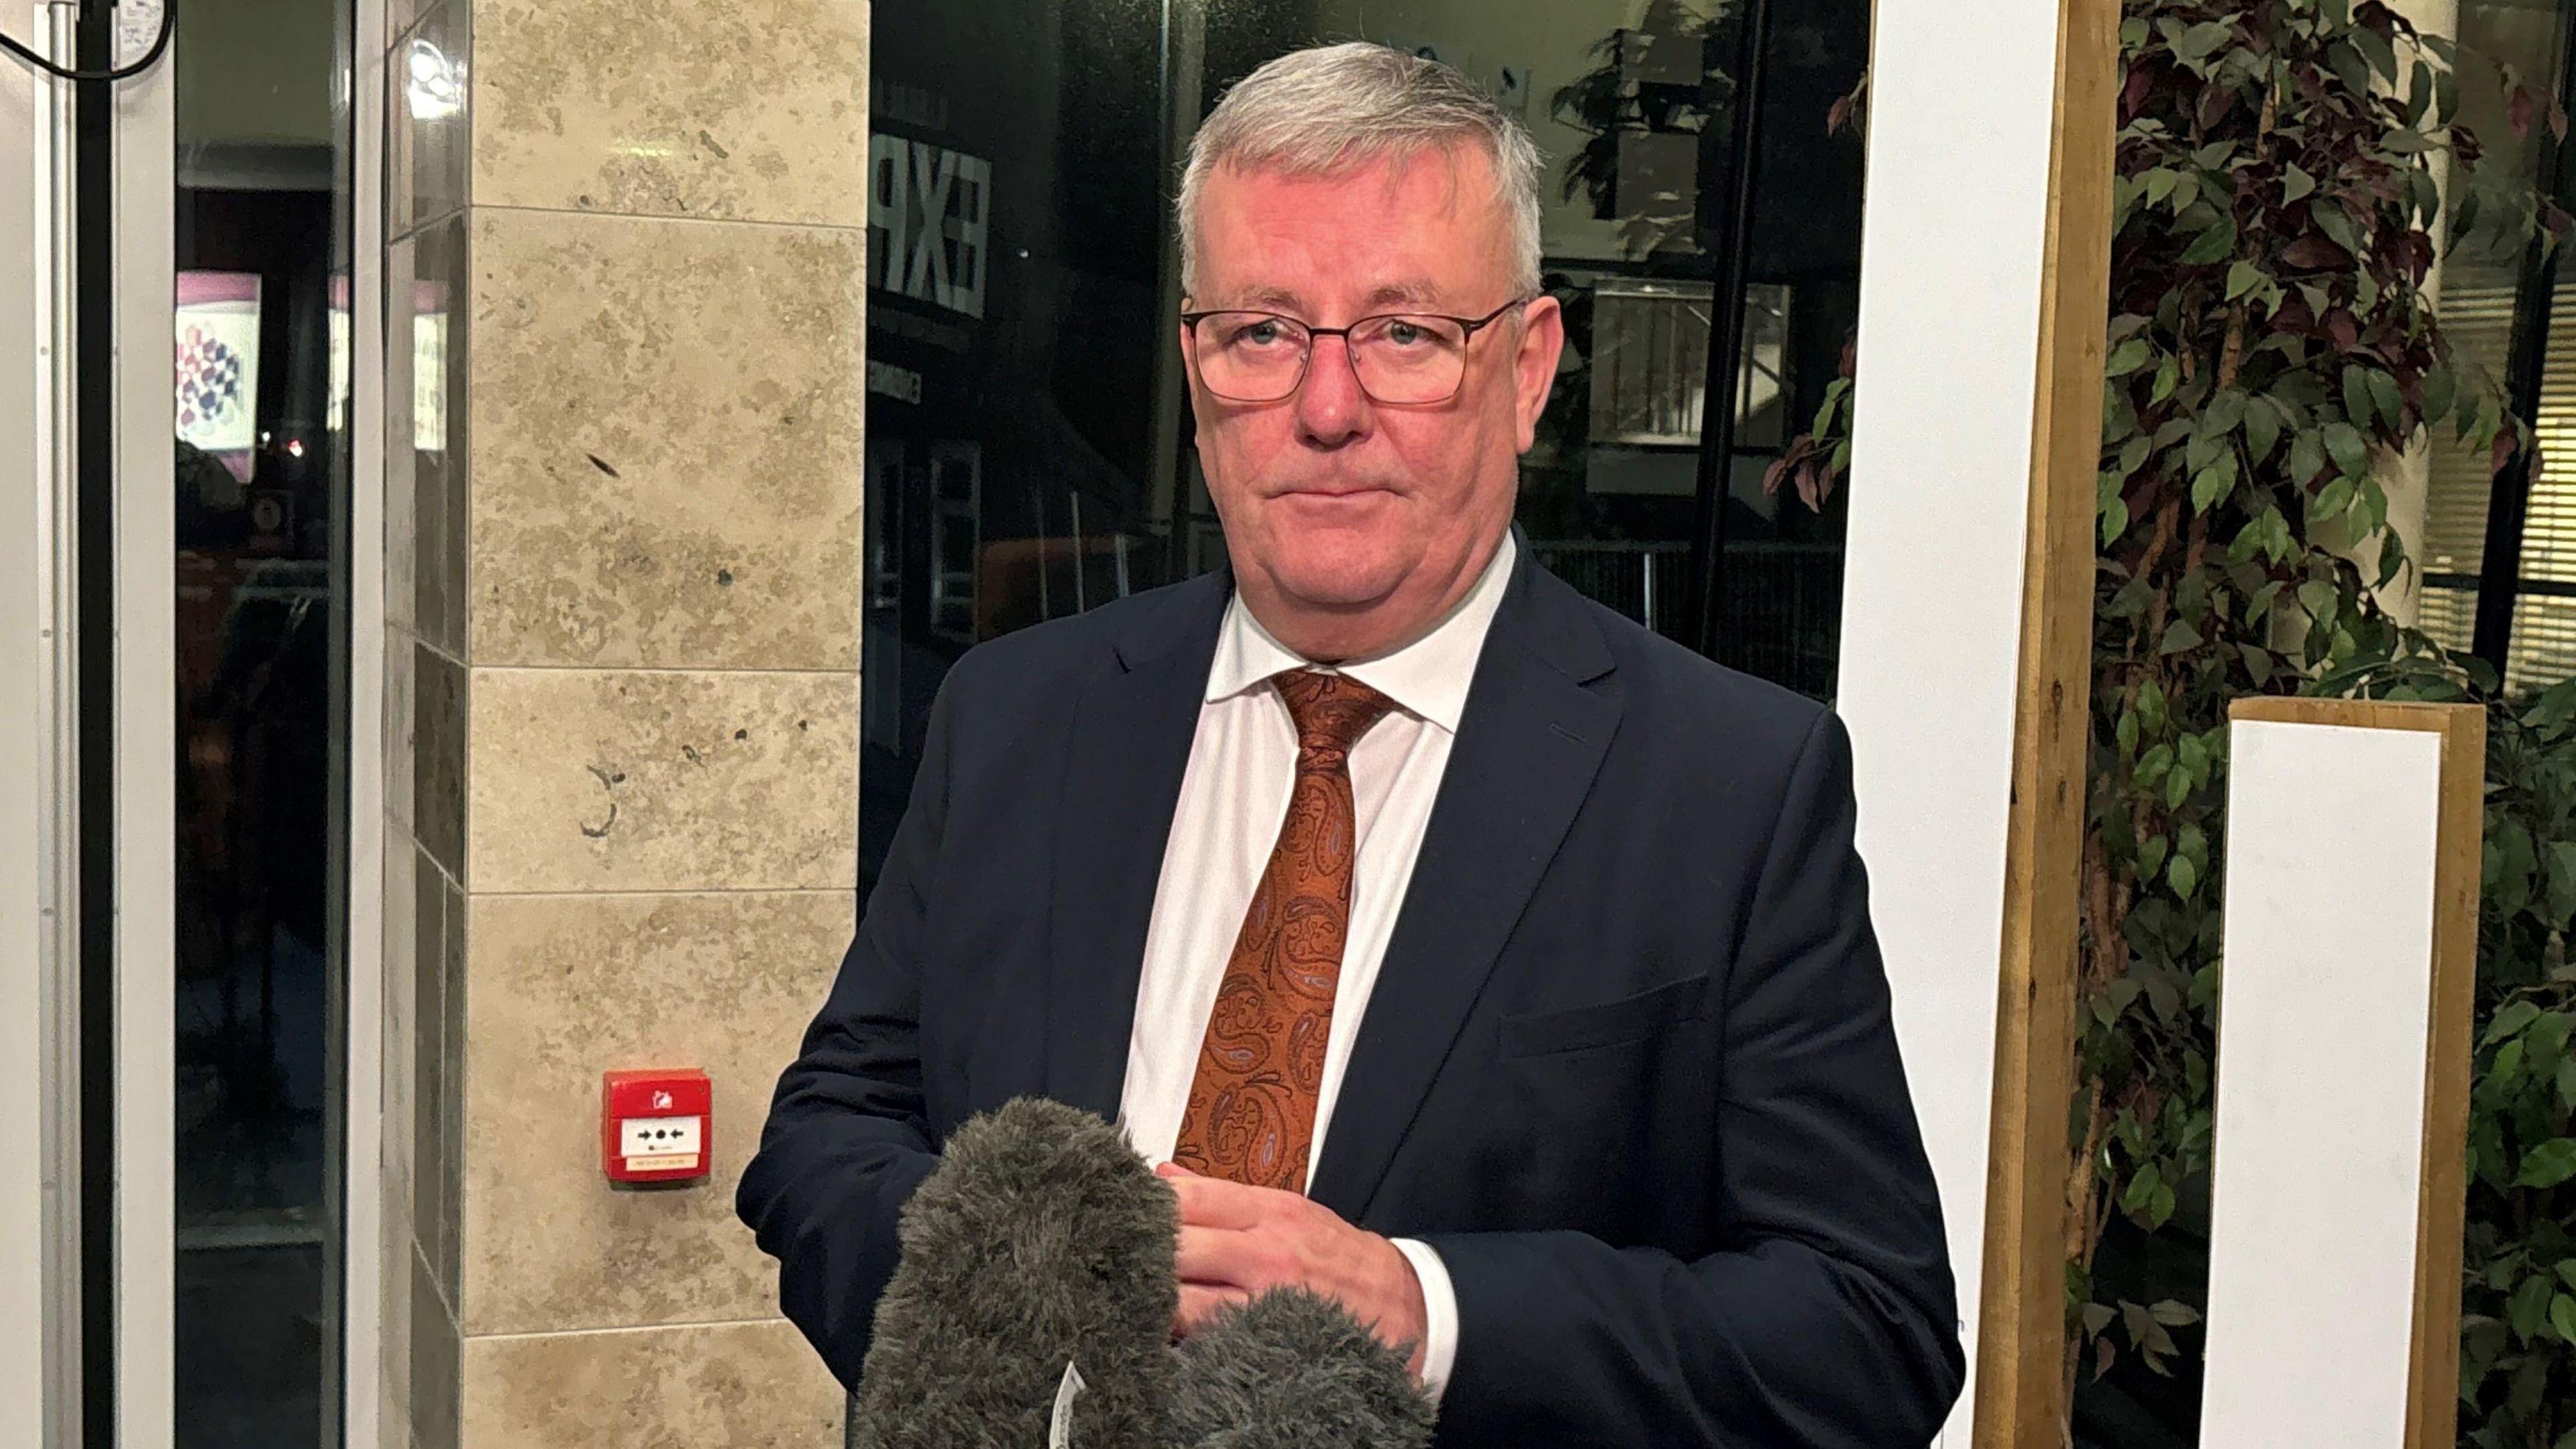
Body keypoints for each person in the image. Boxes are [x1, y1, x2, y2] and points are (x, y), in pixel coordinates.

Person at [739, 42, 1962, 1446]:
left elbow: (1868, 1331)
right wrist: (999, 1306)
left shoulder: (1731, 786)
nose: (1327, 409)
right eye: (1261, 331)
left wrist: (1423, 1315)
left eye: (1405, 333)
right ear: (1195, 370)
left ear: (1527, 368)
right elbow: (828, 1132)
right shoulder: (1018, 714)